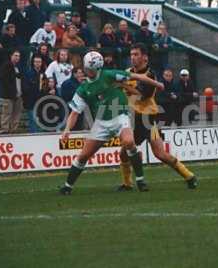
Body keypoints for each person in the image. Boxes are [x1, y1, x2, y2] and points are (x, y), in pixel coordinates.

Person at [59, 51, 165, 195]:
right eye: (87, 68)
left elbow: (137, 76)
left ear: (98, 68)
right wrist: (67, 129)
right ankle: (67, 186)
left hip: (120, 115)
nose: (88, 71)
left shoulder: (109, 75)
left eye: (92, 69)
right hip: (101, 122)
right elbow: (74, 113)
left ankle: (140, 180)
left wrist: (157, 83)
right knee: (83, 156)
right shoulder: (83, 89)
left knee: (128, 142)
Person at [117, 43, 197, 191]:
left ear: (145, 58)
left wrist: (121, 85)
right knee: (124, 153)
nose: (132, 57)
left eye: (136, 54)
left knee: (159, 154)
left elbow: (141, 95)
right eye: (131, 54)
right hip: (134, 120)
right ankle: (127, 184)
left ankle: (189, 176)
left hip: (148, 120)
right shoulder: (127, 72)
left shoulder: (150, 75)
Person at [0, 50, 23, 134]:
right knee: (7, 114)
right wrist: (11, 92)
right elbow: (3, 80)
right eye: (15, 55)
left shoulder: (18, 67)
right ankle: (4, 130)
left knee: (16, 115)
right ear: (11, 56)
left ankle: (13, 130)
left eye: (18, 56)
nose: (17, 57)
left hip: (18, 95)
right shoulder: (6, 65)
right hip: (8, 96)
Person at [22, 55, 46, 133]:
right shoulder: (28, 73)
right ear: (33, 63)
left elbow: (45, 88)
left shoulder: (43, 74)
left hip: (41, 101)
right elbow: (25, 88)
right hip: (31, 101)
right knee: (33, 120)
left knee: (40, 120)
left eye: (39, 62)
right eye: (36, 62)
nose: (37, 63)